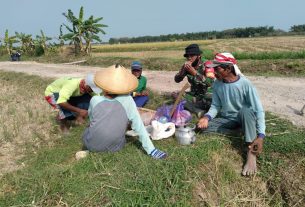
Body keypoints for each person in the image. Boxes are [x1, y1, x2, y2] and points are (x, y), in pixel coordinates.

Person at [197, 52, 266, 176]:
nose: (214, 72)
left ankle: (251, 152)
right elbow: (215, 106)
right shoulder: (217, 84)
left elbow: (258, 110)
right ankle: (239, 132)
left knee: (246, 110)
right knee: (201, 128)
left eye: (217, 68)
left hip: (245, 117)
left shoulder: (245, 84)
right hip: (227, 119)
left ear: (228, 68)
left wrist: (260, 136)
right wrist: (206, 118)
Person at [82, 64, 167, 159]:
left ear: (104, 86)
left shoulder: (95, 99)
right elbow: (138, 126)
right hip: (115, 147)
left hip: (91, 146)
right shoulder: (128, 100)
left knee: (87, 130)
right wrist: (151, 150)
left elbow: (92, 119)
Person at [174, 44, 215, 117]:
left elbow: (210, 82)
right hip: (195, 95)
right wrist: (182, 72)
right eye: (187, 56)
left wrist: (195, 73)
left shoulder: (207, 64)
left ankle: (198, 107)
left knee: (209, 98)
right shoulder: (186, 66)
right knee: (176, 95)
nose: (189, 58)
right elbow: (176, 80)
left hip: (206, 95)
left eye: (192, 55)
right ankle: (197, 111)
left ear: (198, 55)